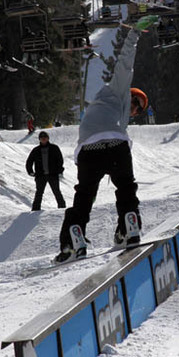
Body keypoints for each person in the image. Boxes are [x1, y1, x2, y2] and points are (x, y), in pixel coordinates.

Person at [54, 17, 157, 264]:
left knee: (85, 195)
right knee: (126, 188)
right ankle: (130, 223)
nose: (134, 108)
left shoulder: (119, 119)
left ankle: (73, 240)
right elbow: (125, 64)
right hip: (112, 145)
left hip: (92, 149)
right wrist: (134, 35)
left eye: (138, 109)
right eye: (135, 102)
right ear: (129, 95)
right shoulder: (117, 89)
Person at [26, 131, 66, 211]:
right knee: (39, 193)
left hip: (53, 174)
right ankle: (35, 210)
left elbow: (60, 160)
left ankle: (62, 208)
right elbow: (29, 161)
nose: (43, 139)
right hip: (40, 175)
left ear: (48, 138)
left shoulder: (54, 148)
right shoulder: (36, 150)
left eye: (45, 138)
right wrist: (30, 171)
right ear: (39, 140)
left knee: (57, 192)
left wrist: (59, 170)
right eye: (42, 138)